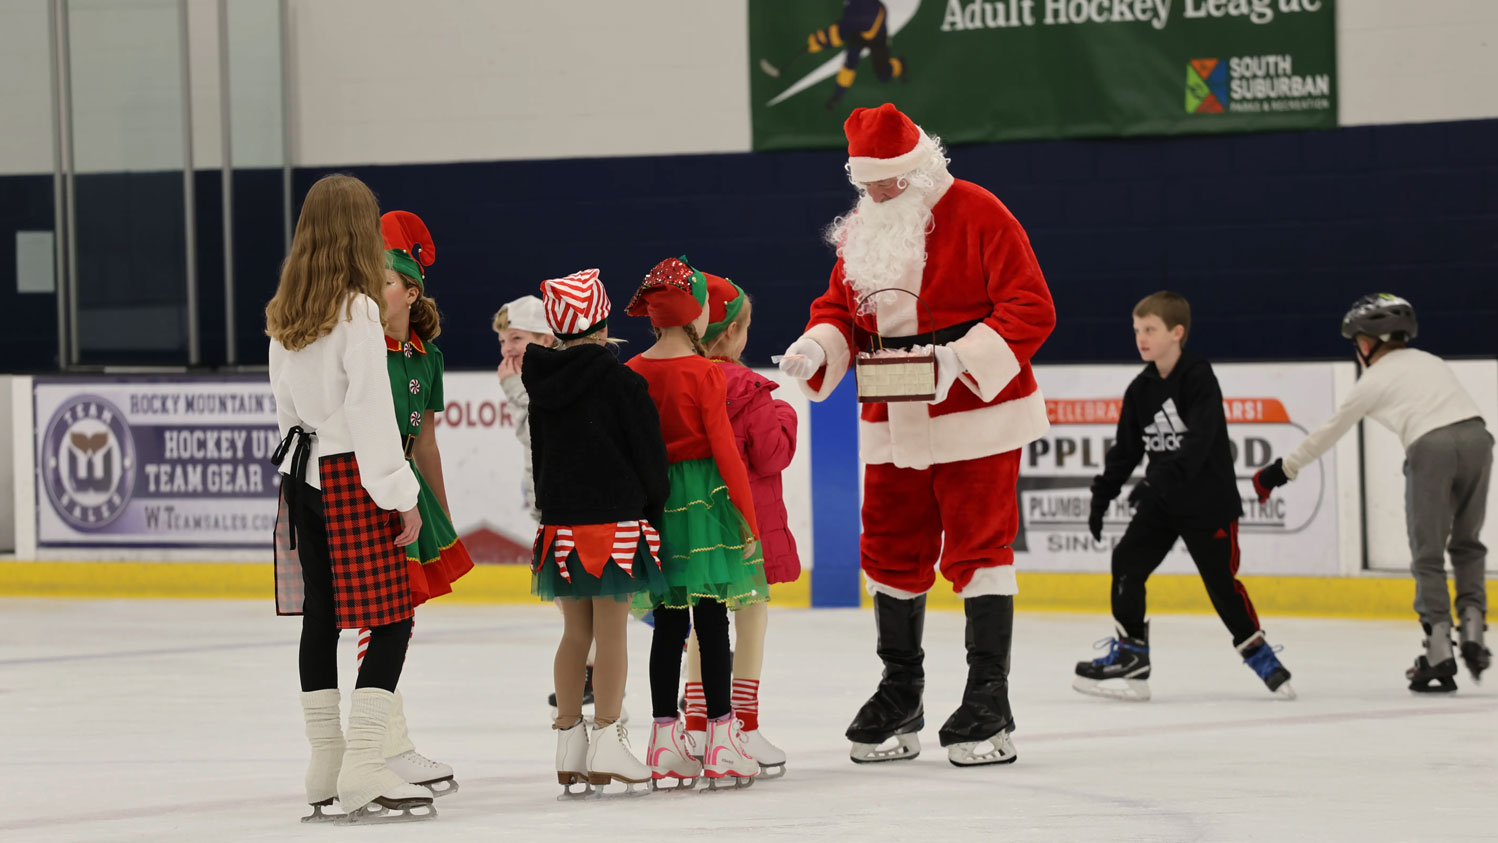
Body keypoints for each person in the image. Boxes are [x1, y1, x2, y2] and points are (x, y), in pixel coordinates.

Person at [777, 104, 1054, 767]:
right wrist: (818, 347)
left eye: (887, 183)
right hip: (891, 418)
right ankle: (901, 689)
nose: (874, 195)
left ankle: (989, 697)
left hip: (976, 419)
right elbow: (841, 311)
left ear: (920, 169)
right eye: (865, 184)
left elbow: (1031, 306)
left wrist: (958, 360)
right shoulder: (862, 233)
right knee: (891, 548)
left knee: (980, 547)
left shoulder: (981, 212)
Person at [266, 174, 433, 823]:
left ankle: (325, 762)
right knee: (392, 617)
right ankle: (364, 764)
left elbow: (283, 405)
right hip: (349, 473)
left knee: (321, 617)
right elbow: (370, 410)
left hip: (301, 472)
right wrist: (401, 493)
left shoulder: (287, 308)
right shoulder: (359, 308)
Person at [1255, 294, 1491, 692]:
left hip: (1430, 447)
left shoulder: (1373, 381)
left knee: (1427, 552)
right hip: (1478, 438)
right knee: (1467, 543)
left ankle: (1438, 650)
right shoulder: (1429, 360)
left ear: (1366, 343)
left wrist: (1281, 471)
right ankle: (1472, 627)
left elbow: (1327, 432)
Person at [1074, 291, 1295, 703]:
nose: (1141, 337)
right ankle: (1132, 655)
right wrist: (1101, 496)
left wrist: (1157, 481)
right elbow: (1126, 451)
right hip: (1164, 502)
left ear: (1177, 333)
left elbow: (1198, 442)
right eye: (1137, 330)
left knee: (1220, 584)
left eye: (1150, 330)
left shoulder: (1198, 377)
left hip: (1208, 503)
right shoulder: (1140, 389)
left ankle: (1259, 654)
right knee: (1126, 563)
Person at [523, 268, 669, 795]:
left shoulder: (540, 385)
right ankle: (608, 738)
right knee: (611, 635)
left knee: (574, 634)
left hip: (561, 528)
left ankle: (569, 746)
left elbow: (540, 459)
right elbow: (651, 461)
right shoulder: (625, 383)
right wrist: (654, 506)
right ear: (604, 324)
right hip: (615, 528)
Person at [626, 256, 768, 790]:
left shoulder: (633, 371)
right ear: (692, 313)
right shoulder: (706, 372)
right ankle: (722, 738)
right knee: (711, 623)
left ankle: (664, 740)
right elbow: (727, 453)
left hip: (656, 506)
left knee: (667, 626)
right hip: (705, 506)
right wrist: (747, 522)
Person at [348, 210, 474, 796]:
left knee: (400, 616)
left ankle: (385, 743)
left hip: (407, 492)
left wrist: (441, 514)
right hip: (365, 485)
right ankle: (383, 748)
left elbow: (424, 441)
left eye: (384, 279)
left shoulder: (427, 356)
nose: (371, 289)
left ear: (410, 292)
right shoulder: (356, 344)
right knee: (381, 617)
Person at [680, 273, 799, 777]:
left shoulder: (676, 378)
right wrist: (784, 412)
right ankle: (743, 727)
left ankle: (696, 723)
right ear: (730, 333)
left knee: (698, 629)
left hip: (698, 530)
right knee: (750, 621)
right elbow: (772, 454)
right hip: (745, 531)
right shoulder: (750, 391)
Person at [493, 296, 557, 523]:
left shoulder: (560, 382)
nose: (506, 350)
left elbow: (536, 437)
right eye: (502, 341)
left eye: (516, 338)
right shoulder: (532, 380)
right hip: (549, 509)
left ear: (547, 340)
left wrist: (514, 388)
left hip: (565, 510)